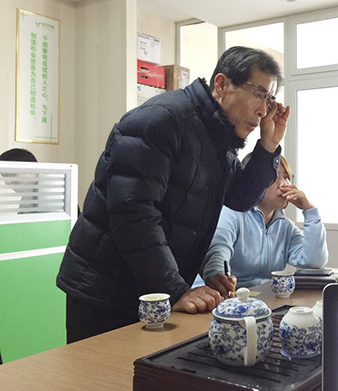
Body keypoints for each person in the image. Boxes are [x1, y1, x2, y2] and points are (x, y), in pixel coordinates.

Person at [56, 46, 290, 343]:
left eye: (270, 100)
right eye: (259, 94)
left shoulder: (218, 137)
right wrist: (175, 289)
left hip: (150, 288)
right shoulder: (160, 120)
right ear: (221, 84)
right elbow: (133, 213)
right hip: (105, 290)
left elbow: (239, 198)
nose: (264, 110)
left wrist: (268, 147)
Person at [200, 154, 328, 296]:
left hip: (267, 297)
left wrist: (309, 210)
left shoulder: (285, 226)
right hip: (234, 297)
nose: (284, 184)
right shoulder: (232, 213)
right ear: (253, 179)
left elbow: (314, 261)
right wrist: (219, 279)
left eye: (287, 177)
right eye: (274, 177)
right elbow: (218, 251)